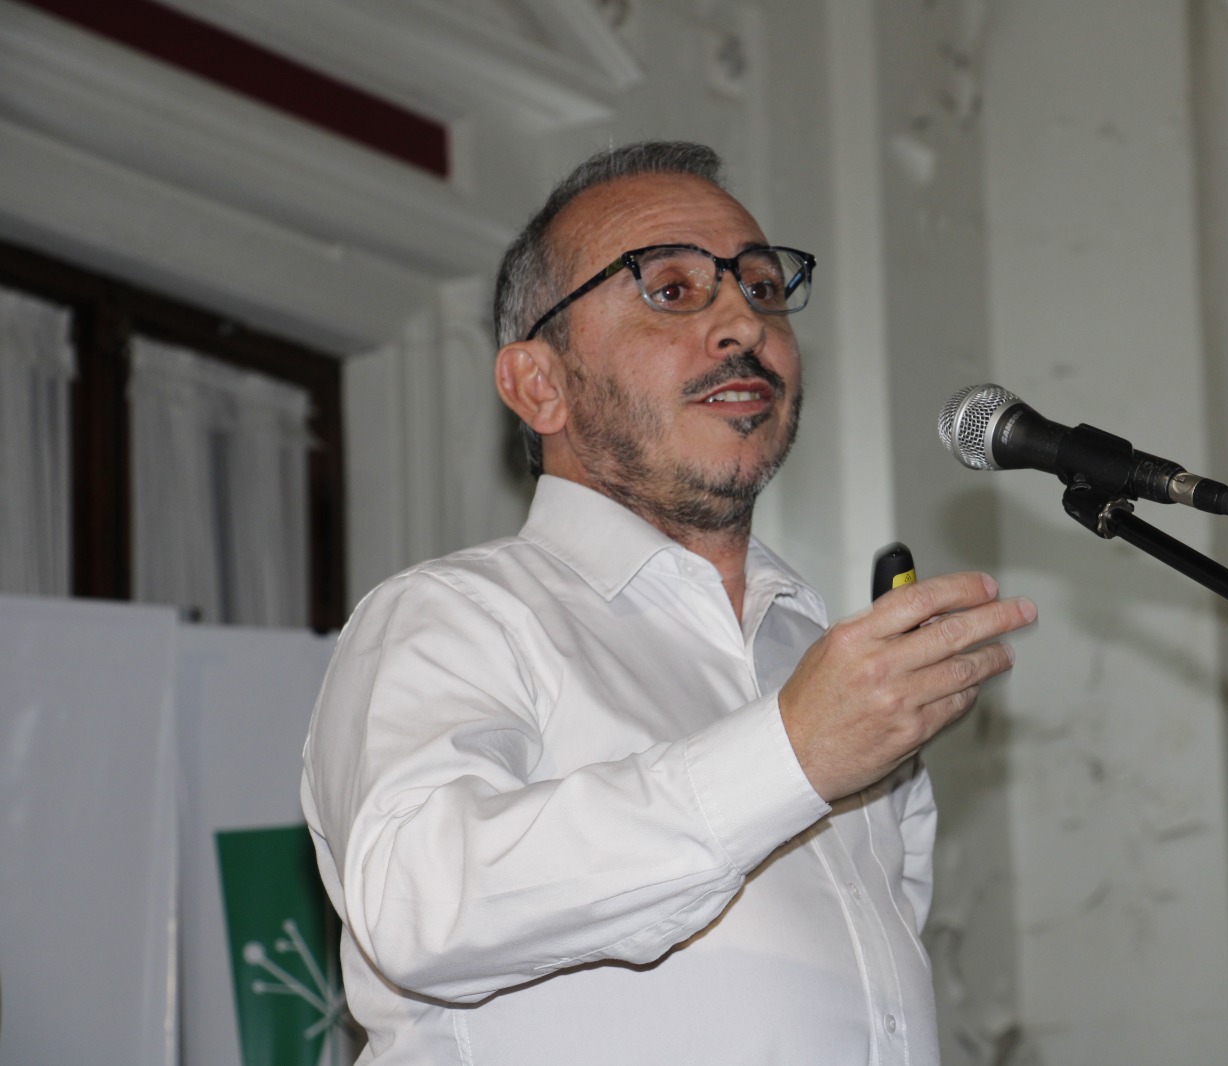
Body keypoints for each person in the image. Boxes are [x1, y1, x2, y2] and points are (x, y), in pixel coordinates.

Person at [300, 140, 1036, 1065]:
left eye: (762, 287)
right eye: (672, 290)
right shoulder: (452, 616)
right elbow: (421, 902)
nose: (743, 324)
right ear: (540, 384)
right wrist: (791, 753)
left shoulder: (820, 653)